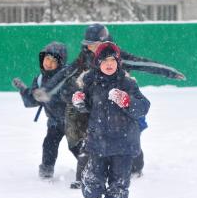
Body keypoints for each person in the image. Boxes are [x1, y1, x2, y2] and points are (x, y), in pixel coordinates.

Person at [33, 23, 185, 188]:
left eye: (95, 44)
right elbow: (65, 73)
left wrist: (169, 72)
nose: (91, 48)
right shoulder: (84, 58)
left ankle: (135, 169)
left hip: (121, 107)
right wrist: (46, 90)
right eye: (88, 45)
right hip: (96, 108)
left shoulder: (116, 57)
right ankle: (88, 176)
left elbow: (144, 64)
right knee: (87, 141)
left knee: (129, 139)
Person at [71, 42, 150, 198]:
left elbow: (144, 106)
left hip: (123, 145)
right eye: (104, 60)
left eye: (112, 60)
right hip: (98, 143)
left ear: (118, 62)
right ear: (97, 62)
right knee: (92, 181)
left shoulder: (127, 83)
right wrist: (80, 103)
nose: (109, 64)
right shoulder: (90, 82)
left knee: (119, 185)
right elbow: (87, 106)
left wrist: (127, 101)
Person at [12, 42, 70, 179]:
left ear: (60, 63)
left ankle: (91, 170)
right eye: (47, 59)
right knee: (49, 144)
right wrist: (24, 90)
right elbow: (32, 101)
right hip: (54, 121)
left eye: (53, 61)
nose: (49, 63)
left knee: (77, 148)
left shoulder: (67, 77)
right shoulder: (39, 79)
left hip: (73, 121)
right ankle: (46, 170)